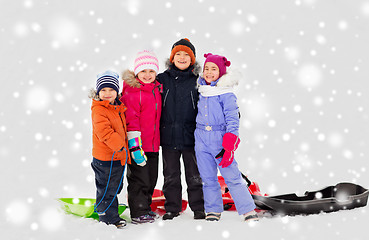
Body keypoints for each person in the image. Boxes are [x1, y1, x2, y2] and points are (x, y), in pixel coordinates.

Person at [194, 53, 259, 222]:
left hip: (219, 139)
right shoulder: (202, 91)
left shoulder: (226, 94)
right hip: (201, 138)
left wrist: (229, 144)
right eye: (206, 69)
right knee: (208, 178)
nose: (208, 72)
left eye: (213, 69)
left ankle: (248, 209)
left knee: (232, 176)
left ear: (221, 72)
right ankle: (213, 210)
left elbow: (232, 118)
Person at [157, 38, 205, 220]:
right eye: (178, 54)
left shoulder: (198, 81)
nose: (182, 58)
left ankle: (199, 207)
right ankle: (172, 207)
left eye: (187, 55)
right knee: (170, 176)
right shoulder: (162, 79)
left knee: (194, 176)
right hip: (168, 136)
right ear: (172, 57)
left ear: (192, 59)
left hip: (191, 138)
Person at [120, 50, 162, 224]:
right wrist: (135, 146)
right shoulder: (132, 92)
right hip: (138, 145)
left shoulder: (156, 90)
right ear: (137, 72)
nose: (147, 75)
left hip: (153, 144)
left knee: (151, 178)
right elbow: (131, 120)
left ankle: (145, 207)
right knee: (139, 179)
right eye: (143, 71)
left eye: (151, 71)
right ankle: (138, 212)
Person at [89, 70, 130, 229]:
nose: (107, 93)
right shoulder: (99, 109)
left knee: (115, 186)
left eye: (111, 90)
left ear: (117, 92)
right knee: (107, 187)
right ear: (98, 92)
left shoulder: (116, 107)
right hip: (105, 158)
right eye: (103, 90)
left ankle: (109, 209)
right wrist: (120, 145)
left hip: (117, 156)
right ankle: (107, 215)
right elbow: (104, 132)